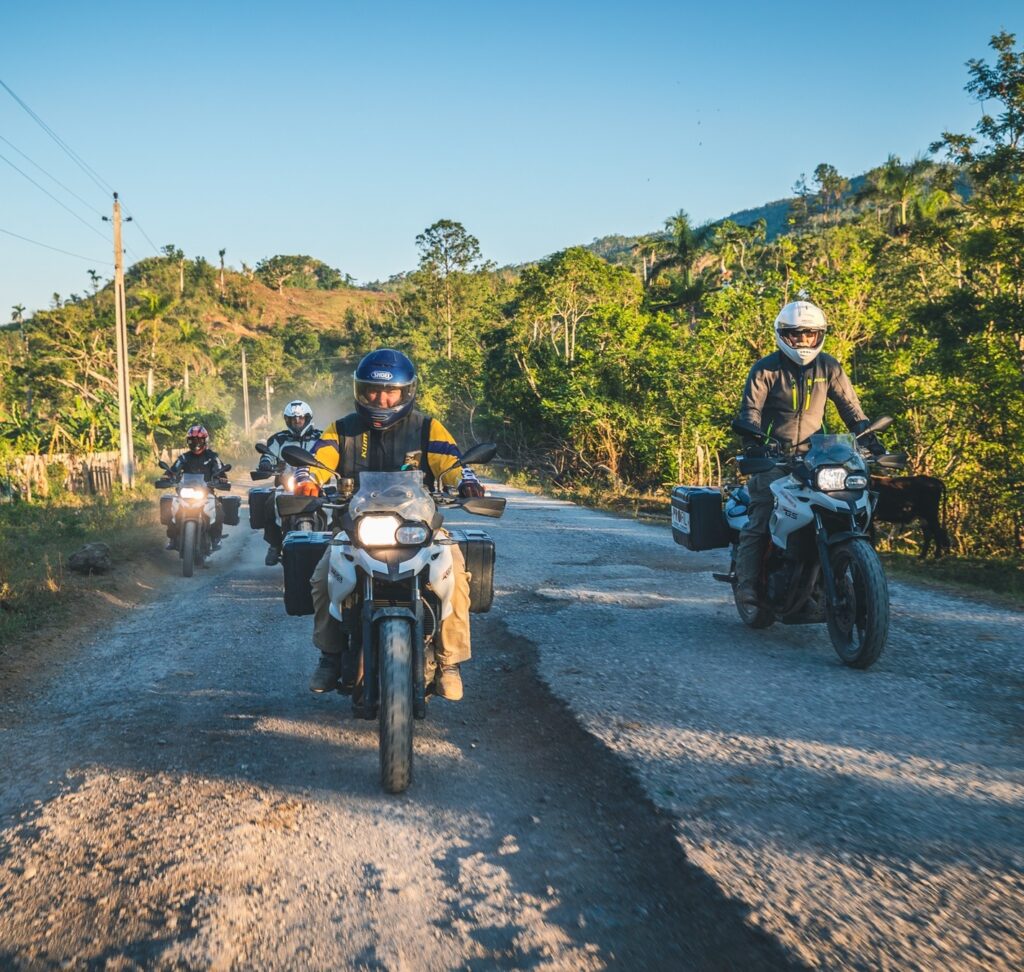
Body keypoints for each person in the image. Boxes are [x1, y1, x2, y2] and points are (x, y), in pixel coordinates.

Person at [294, 348, 485, 700]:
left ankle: (450, 662)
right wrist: (308, 480)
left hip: (419, 526)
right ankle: (330, 656)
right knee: (322, 576)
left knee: (455, 572)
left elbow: (454, 463)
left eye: (390, 392)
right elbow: (318, 462)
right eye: (373, 391)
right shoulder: (343, 430)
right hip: (357, 527)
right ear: (361, 391)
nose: (381, 399)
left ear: (406, 392)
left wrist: (466, 482)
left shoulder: (427, 428)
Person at [733, 300, 882, 610]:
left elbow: (851, 409)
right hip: (775, 458)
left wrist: (870, 440)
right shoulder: (765, 369)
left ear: (820, 335)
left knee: (850, 507)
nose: (803, 341)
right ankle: (746, 584)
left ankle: (849, 573)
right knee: (761, 513)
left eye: (810, 335)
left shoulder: (829, 367)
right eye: (796, 334)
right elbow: (751, 411)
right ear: (783, 335)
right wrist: (753, 441)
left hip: (818, 459)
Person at [257, 400, 323, 566]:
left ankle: (339, 541)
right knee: (269, 502)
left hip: (316, 484)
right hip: (287, 483)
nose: (297, 422)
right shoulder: (278, 439)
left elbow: (333, 453)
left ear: (308, 418)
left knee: (338, 506)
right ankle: (274, 544)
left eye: (300, 418)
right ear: (287, 420)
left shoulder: (321, 437)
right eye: (293, 419)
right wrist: (266, 462)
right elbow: (269, 454)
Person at [163, 424, 229, 550]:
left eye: (199, 440)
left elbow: (220, 470)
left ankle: (216, 538)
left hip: (206, 492)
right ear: (188, 441)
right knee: (170, 508)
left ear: (205, 441)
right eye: (192, 440)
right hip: (185, 491)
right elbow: (174, 469)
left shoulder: (212, 457)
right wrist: (167, 476)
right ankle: (172, 538)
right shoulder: (184, 457)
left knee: (218, 510)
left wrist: (222, 477)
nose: (196, 443)